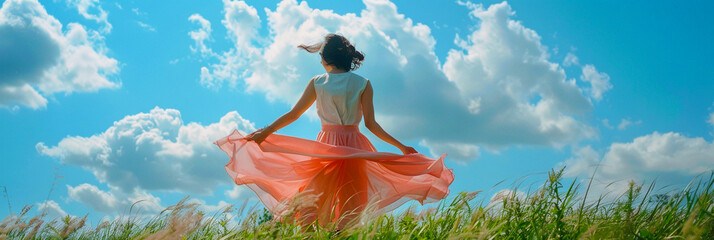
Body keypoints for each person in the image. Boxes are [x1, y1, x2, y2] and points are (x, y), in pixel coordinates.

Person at [214, 33, 454, 230]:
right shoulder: (362, 83)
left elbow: (293, 114)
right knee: (350, 208)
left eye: (320, 56)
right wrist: (400, 147)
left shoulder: (318, 82)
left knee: (310, 202)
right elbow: (371, 125)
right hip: (354, 146)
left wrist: (266, 133)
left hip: (325, 147)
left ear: (325, 59)